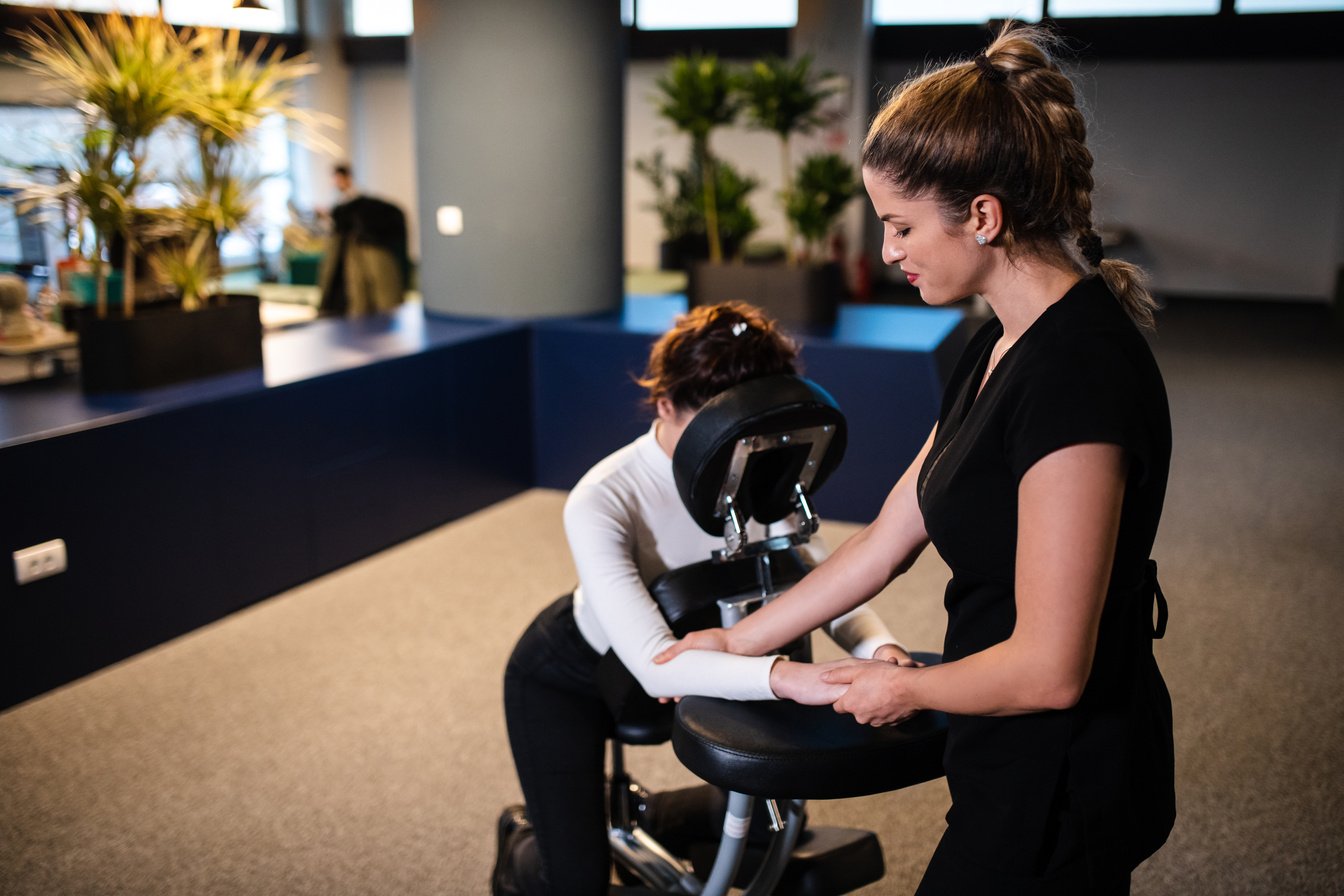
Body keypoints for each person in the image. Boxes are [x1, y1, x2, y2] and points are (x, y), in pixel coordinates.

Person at [656, 24, 1175, 895]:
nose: (888, 250)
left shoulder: (1075, 374)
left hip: (1066, 768)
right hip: (1001, 744)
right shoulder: (996, 345)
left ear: (982, 215)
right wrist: (741, 645)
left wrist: (907, 690)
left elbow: (1051, 670)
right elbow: (887, 539)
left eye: (900, 225)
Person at [494, 301, 918, 896]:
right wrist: (796, 679)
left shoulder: (760, 465)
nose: (743, 438)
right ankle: (522, 841)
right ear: (665, 405)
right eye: (721, 421)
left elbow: (822, 583)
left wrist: (880, 647)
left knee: (770, 833)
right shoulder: (605, 495)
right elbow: (652, 664)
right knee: (577, 882)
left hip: (713, 665)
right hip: (580, 680)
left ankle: (636, 815)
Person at [317, 163, 409, 316]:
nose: (335, 182)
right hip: (351, 250)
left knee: (375, 292)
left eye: (338, 179)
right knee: (358, 292)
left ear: (347, 178)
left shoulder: (359, 201)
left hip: (362, 248)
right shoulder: (342, 201)